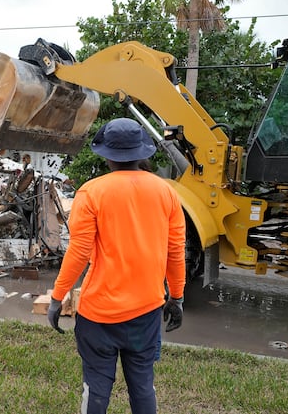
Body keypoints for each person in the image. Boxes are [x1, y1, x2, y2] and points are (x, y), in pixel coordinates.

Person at [47, 118, 186, 414]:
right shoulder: (167, 193)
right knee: (143, 387)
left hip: (98, 315)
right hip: (146, 312)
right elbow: (175, 252)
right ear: (142, 153)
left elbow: (79, 252)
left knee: (96, 389)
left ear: (107, 155)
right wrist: (176, 296)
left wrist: (57, 297)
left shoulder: (92, 192)